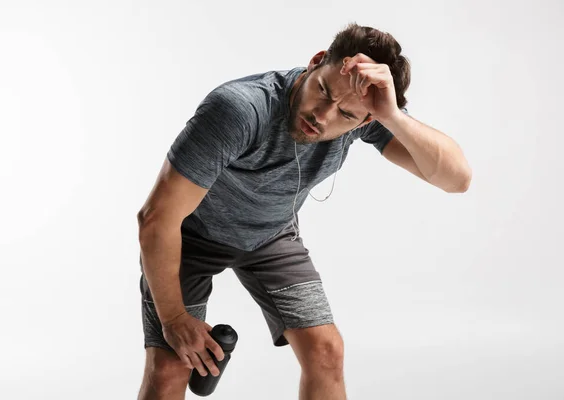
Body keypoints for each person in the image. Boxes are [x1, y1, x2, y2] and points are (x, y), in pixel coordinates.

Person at [136, 22, 472, 400]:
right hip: (188, 237)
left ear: (366, 119)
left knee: (326, 352)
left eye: (346, 114)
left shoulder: (365, 119)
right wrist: (175, 320)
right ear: (314, 63)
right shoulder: (240, 109)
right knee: (169, 367)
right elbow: (156, 218)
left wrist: (392, 115)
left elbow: (456, 180)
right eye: (323, 91)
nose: (323, 116)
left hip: (271, 236)